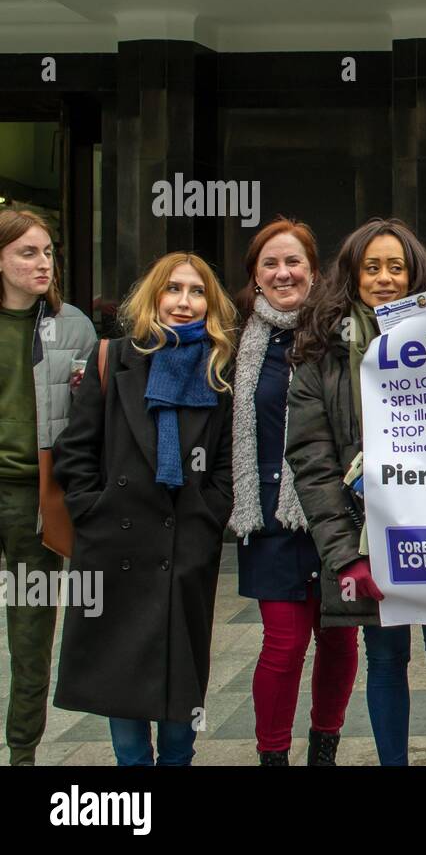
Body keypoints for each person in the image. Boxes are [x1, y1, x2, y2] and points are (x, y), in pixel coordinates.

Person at [286, 217, 426, 766]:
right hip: (366, 538)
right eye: (371, 267)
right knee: (385, 660)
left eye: (396, 266)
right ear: (352, 274)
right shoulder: (320, 350)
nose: (384, 279)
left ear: (416, 272)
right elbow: (312, 463)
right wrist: (346, 557)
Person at [52, 252, 236, 766]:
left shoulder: (219, 370)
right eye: (173, 289)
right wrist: (95, 509)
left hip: (184, 551)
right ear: (153, 296)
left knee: (182, 697)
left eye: (196, 291)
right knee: (122, 687)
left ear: (210, 303)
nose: (184, 301)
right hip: (116, 549)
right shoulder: (114, 358)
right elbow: (76, 450)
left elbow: (226, 460)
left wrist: (209, 514)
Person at [229, 218, 358, 766]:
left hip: (335, 512)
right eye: (270, 264)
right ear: (255, 276)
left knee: (339, 641)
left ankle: (324, 747)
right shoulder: (233, 338)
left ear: (313, 269)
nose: (283, 273)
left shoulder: (338, 331)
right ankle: (273, 756)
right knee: (282, 645)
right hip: (268, 516)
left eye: (294, 262)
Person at [0, 209, 96, 765]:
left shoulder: (73, 325)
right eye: (27, 253)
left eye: (48, 252)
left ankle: (23, 753)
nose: (43, 263)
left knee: (31, 635)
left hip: (36, 498)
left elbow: (89, 420)